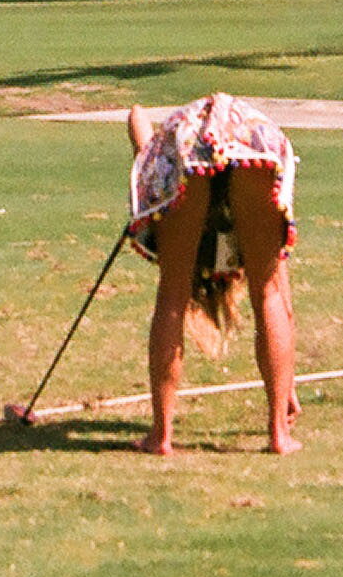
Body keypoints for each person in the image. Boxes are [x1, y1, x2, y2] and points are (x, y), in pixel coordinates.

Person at [126, 93, 298, 455]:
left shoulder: (167, 164)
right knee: (265, 292)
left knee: (172, 295)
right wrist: (285, 384)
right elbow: (280, 298)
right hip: (254, 139)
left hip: (191, 141)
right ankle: (279, 434)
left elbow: (136, 115)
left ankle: (162, 436)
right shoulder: (238, 244)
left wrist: (288, 384)